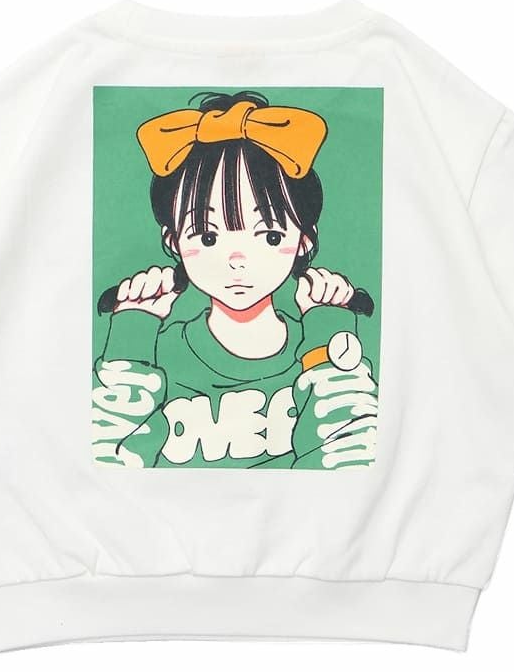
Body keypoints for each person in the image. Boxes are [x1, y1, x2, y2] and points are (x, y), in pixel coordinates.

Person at [91, 90, 379, 470]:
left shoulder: (319, 348)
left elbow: (349, 463)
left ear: (304, 241)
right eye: (208, 236)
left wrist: (329, 338)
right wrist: (131, 339)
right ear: (173, 241)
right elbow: (107, 468)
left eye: (270, 235)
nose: (237, 260)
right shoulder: (156, 354)